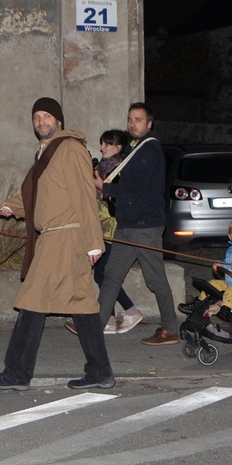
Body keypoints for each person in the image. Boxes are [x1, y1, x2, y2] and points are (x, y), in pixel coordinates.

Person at [0, 97, 114, 391]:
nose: (41, 121)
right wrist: (14, 207)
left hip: (66, 237)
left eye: (47, 116)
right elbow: (44, 196)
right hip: (57, 237)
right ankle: (100, 372)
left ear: (59, 120)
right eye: (36, 117)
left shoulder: (69, 149)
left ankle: (17, 373)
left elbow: (84, 195)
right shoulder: (46, 152)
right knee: (81, 304)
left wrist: (94, 242)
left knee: (32, 301)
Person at [93, 102, 179, 346]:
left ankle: (171, 329)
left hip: (146, 227)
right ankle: (96, 327)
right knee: (111, 276)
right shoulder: (134, 148)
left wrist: (104, 187)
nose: (133, 123)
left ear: (149, 124)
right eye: (130, 119)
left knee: (155, 280)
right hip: (128, 225)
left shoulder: (150, 150)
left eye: (138, 119)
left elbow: (136, 188)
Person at [64, 130, 143, 334]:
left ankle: (130, 312)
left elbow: (119, 200)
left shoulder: (121, 170)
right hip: (99, 229)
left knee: (103, 275)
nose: (102, 147)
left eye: (108, 144)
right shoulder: (101, 168)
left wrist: (101, 187)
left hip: (114, 230)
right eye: (101, 143)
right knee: (104, 274)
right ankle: (110, 319)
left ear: (119, 148)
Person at [179, 218, 232, 321]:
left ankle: (225, 312)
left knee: (230, 291)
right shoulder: (231, 250)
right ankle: (197, 303)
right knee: (211, 283)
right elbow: (227, 263)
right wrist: (219, 263)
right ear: (229, 236)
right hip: (229, 282)